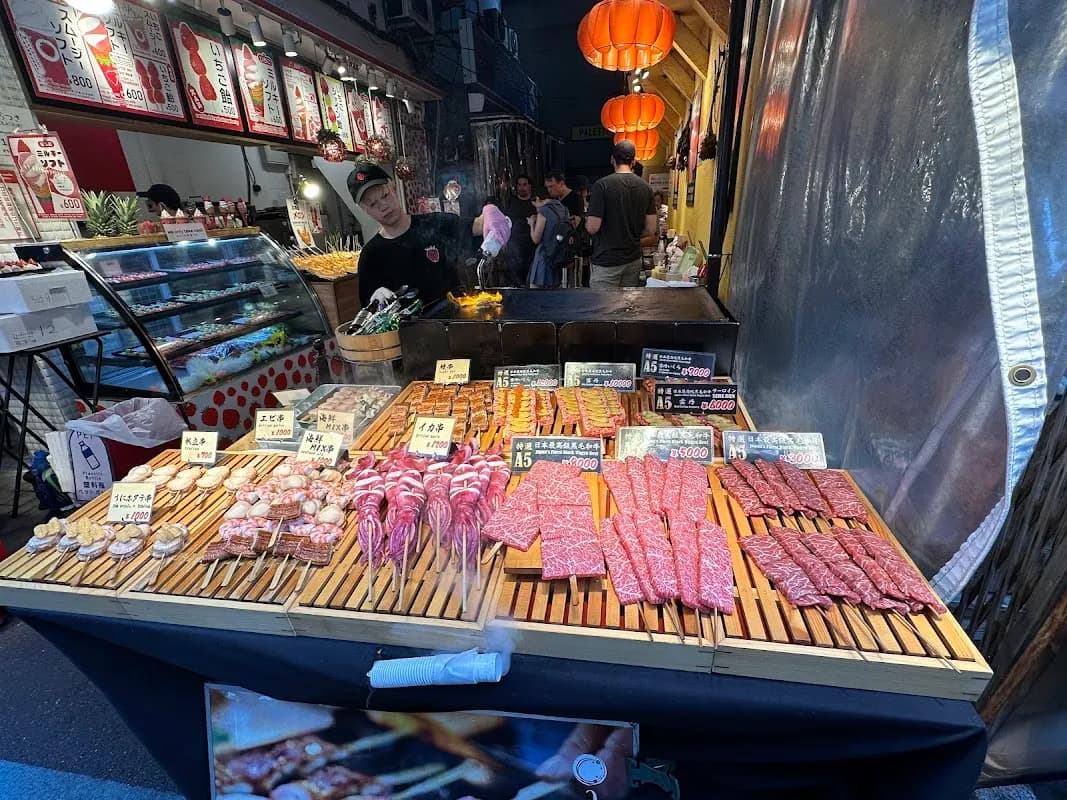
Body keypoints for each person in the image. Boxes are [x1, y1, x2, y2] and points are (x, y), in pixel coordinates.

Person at [350, 162, 487, 307]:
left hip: (454, 320)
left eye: (385, 195)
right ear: (364, 209)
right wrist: (375, 300)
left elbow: (477, 225)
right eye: (372, 204)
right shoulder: (371, 256)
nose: (383, 206)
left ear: (393, 187)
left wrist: (490, 213)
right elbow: (368, 313)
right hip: (408, 328)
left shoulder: (434, 223)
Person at [585, 140, 657, 288]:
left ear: (612, 159)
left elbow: (593, 227)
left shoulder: (602, 185)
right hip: (633, 260)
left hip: (606, 261)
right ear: (634, 161)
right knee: (626, 308)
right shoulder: (646, 188)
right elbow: (651, 230)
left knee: (602, 308)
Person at [527, 195, 571, 288]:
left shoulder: (543, 211)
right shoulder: (564, 210)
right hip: (557, 256)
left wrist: (531, 224)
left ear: (538, 199)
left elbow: (536, 239)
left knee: (536, 294)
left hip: (544, 257)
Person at [501, 175, 537, 286]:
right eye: (519, 185)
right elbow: (505, 223)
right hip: (514, 246)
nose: (522, 188)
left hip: (532, 246)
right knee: (516, 279)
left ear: (529, 186)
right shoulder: (510, 202)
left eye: (525, 184)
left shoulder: (536, 203)